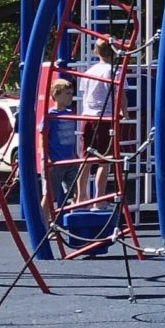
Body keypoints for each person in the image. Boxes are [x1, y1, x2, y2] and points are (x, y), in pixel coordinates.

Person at [70, 37, 118, 200]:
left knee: (86, 158)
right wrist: (124, 113)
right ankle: (99, 199)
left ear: (96, 51)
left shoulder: (89, 71)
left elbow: (85, 94)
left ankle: (81, 197)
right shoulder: (114, 71)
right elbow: (120, 96)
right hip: (105, 118)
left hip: (87, 116)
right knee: (104, 160)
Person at [43, 78, 81, 206]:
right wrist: (46, 157)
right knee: (49, 195)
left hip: (69, 160)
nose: (70, 97)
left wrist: (74, 153)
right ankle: (43, 217)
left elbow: (71, 136)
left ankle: (75, 212)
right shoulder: (50, 115)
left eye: (72, 94)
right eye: (67, 94)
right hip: (55, 161)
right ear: (56, 95)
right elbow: (42, 137)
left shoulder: (70, 113)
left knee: (78, 190)